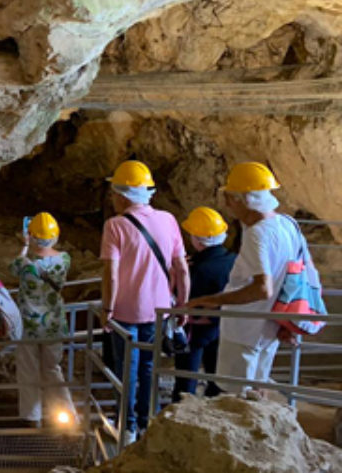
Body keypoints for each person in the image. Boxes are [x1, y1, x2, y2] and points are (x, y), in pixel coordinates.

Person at [187, 162, 316, 395]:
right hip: (268, 327)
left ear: (241, 199)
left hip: (245, 330)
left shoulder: (258, 233)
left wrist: (212, 300)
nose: (227, 205)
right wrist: (289, 322)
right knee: (257, 389)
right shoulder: (288, 224)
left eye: (229, 198)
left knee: (236, 395)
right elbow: (301, 276)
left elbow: (261, 289)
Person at [100, 161, 190, 444]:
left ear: (123, 195)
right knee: (149, 367)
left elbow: (111, 273)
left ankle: (125, 427)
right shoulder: (168, 220)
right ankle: (146, 422)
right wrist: (182, 306)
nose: (113, 199)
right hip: (159, 311)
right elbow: (182, 268)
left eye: (114, 193)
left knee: (126, 369)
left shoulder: (115, 226)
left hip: (125, 312)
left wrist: (106, 309)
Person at [11, 212, 76, 427]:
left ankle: (32, 417)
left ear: (31, 236)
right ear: (55, 235)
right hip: (53, 325)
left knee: (28, 370)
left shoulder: (24, 264)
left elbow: (14, 267)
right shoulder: (64, 260)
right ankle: (66, 415)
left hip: (28, 326)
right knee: (52, 369)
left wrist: (24, 245)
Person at [173, 207, 235, 402]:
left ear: (197, 239)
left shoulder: (199, 269)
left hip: (197, 329)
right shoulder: (234, 261)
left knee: (186, 378)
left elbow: (183, 298)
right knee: (217, 377)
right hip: (225, 328)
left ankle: (181, 410)